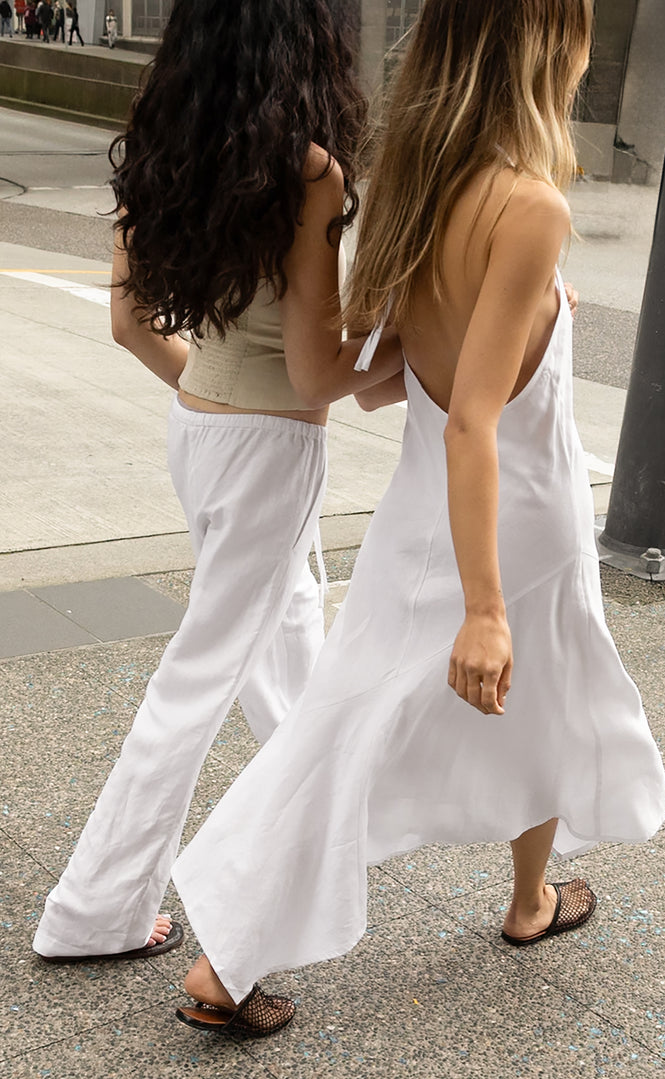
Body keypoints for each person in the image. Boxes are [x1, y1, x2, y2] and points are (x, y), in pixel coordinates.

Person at [170, 0, 665, 1037]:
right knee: (382, 723)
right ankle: (225, 955)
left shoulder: (420, 186)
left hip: (426, 520)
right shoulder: (531, 208)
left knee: (506, 700)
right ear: (541, 48)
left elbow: (386, 380)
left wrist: (517, 321)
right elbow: (473, 424)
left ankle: (531, 899)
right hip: (508, 525)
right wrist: (485, 607)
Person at [32, 0, 401, 968]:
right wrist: (402, 351)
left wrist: (214, 391)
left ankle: (324, 830)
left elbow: (127, 320)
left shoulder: (164, 141)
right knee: (198, 681)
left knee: (285, 640)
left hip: (196, 428)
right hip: (271, 447)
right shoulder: (310, 173)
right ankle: (94, 907)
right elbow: (319, 373)